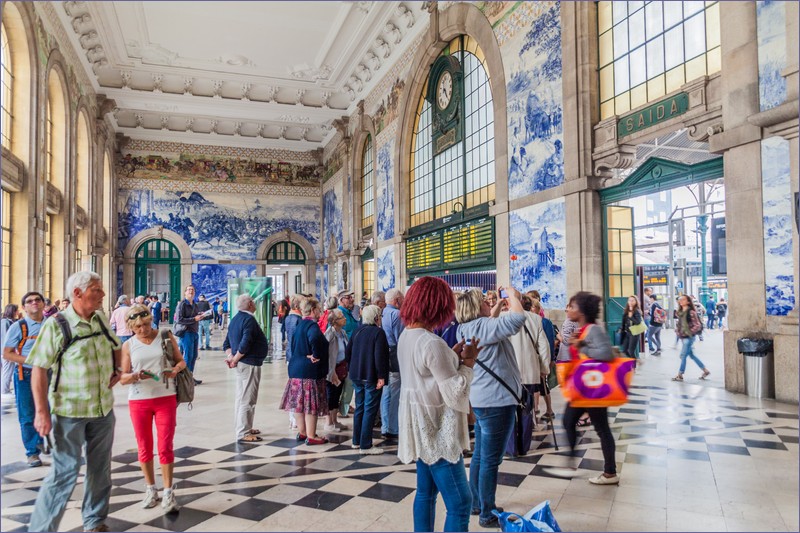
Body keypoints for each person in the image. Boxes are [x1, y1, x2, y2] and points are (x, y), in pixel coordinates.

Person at [26, 271, 123, 532]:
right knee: (64, 473)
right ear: (77, 294)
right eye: (96, 290)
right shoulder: (57, 325)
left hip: (102, 409)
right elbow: (38, 369)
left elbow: (116, 345)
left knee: (100, 470)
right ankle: (42, 528)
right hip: (70, 411)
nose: (103, 294)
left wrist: (118, 369)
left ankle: (95, 520)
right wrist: (42, 412)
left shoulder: (100, 319)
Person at [398, 276, 477, 532]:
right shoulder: (431, 342)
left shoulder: (407, 336)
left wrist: (451, 356)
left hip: (418, 424)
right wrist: (468, 363)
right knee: (461, 502)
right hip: (436, 428)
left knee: (426, 493)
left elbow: (427, 375)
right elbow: (455, 392)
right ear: (437, 306)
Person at [456, 286, 526, 528]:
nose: (489, 302)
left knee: (480, 455)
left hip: (483, 400)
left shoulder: (465, 328)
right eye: (485, 302)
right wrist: (513, 296)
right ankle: (487, 512)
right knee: (491, 461)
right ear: (477, 307)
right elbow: (518, 318)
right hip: (497, 401)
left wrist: (496, 308)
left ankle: (477, 503)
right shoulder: (482, 327)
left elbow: (488, 325)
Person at [119, 303, 185, 513]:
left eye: (145, 325)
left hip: (165, 397)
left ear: (150, 320)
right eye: (137, 327)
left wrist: (174, 370)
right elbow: (123, 377)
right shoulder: (128, 345)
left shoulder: (165, 336)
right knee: (144, 446)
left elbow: (181, 361)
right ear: (131, 327)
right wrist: (136, 376)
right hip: (139, 400)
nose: (142, 330)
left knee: (165, 445)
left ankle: (168, 492)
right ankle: (150, 489)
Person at [550, 291, 620, 485]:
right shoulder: (584, 329)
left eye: (572, 306)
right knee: (569, 421)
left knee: (601, 428)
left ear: (581, 310)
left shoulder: (593, 330)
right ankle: (572, 464)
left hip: (593, 389)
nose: (568, 309)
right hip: (583, 388)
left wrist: (581, 346)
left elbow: (606, 354)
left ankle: (609, 473)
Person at [3, 293, 46, 466]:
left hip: (50, 373)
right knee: (27, 413)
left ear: (44, 304)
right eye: (29, 301)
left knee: (51, 410)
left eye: (37, 300)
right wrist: (32, 361)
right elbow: (7, 353)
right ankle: (32, 451)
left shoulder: (52, 324)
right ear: (24, 307)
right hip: (26, 374)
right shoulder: (18, 327)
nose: (34, 303)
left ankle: (43, 440)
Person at [279, 296, 329, 445]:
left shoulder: (300, 324)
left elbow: (293, 345)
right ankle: (312, 435)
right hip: (309, 371)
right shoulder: (312, 326)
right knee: (310, 405)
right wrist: (316, 355)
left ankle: (302, 432)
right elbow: (315, 340)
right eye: (319, 309)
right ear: (313, 310)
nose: (320, 312)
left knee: (299, 405)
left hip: (295, 369)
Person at [224, 294, 270, 443]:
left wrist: (231, 357)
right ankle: (243, 432)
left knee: (241, 397)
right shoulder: (248, 320)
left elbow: (226, 344)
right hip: (249, 363)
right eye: (254, 302)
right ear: (250, 304)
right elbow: (245, 343)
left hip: (243, 363)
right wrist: (235, 359)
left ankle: (244, 426)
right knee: (248, 399)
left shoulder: (235, 319)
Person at [346, 305, 390, 454]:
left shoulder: (358, 331)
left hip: (357, 375)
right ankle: (365, 445)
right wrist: (382, 376)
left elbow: (348, 352)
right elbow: (380, 357)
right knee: (370, 409)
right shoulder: (378, 333)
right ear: (376, 318)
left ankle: (356, 440)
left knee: (360, 407)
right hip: (371, 376)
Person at [523, 297, 553, 421]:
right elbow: (544, 345)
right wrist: (544, 366)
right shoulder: (536, 319)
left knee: (540, 389)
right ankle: (531, 415)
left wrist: (547, 364)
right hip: (532, 365)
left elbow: (548, 343)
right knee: (531, 392)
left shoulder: (543, 321)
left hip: (530, 365)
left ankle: (545, 410)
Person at [380, 288, 404, 440]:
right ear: (397, 301)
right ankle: (393, 428)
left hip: (384, 355)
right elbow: (401, 338)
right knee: (395, 393)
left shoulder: (382, 313)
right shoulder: (397, 314)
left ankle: (385, 426)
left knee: (386, 392)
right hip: (395, 355)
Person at [672, 294, 710, 382]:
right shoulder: (679, 312)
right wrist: (678, 331)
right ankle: (705, 370)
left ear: (688, 301)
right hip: (683, 336)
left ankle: (680, 374)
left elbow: (697, 325)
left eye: (683, 299)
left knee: (683, 355)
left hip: (689, 337)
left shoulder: (691, 312)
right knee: (691, 355)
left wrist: (690, 332)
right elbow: (679, 324)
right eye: (680, 300)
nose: (681, 301)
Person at [323, 309, 348, 433]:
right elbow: (326, 355)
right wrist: (330, 372)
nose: (345, 318)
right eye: (341, 317)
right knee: (330, 395)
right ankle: (328, 422)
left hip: (341, 367)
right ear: (334, 322)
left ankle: (335, 420)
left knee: (337, 394)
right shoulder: (329, 334)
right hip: (332, 369)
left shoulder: (342, 332)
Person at [174, 285, 204, 385]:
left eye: (193, 290)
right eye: (189, 290)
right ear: (185, 293)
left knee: (194, 356)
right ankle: (185, 378)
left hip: (194, 332)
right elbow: (179, 319)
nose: (191, 291)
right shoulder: (182, 304)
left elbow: (195, 316)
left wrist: (201, 316)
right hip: (186, 332)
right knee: (188, 356)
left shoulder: (195, 305)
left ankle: (189, 376)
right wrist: (194, 319)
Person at [337, 290, 359, 417]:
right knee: (347, 381)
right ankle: (342, 407)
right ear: (341, 300)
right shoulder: (340, 314)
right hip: (345, 354)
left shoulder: (349, 314)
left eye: (352, 297)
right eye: (348, 298)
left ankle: (344, 406)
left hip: (352, 352)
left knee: (349, 382)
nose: (351, 300)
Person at [1, 303, 20, 398]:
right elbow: (5, 338)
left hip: (9, 351)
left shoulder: (9, 321)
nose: (18, 312)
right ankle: (4, 390)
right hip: (6, 351)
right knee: (7, 370)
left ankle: (6, 388)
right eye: (16, 310)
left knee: (9, 369)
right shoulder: (5, 322)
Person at [620, 295, 643, 359]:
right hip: (627, 332)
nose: (631, 302)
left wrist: (631, 317)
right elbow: (624, 321)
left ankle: (634, 365)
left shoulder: (637, 311)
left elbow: (638, 322)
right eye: (629, 300)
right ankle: (634, 362)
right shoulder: (626, 310)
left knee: (631, 351)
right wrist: (622, 329)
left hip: (634, 333)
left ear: (636, 302)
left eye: (632, 300)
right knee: (624, 351)